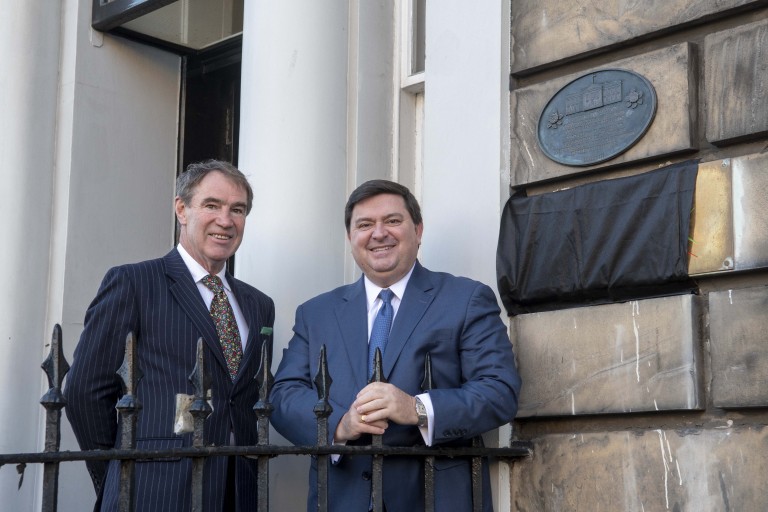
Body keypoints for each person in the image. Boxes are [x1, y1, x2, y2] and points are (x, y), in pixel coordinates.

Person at [270, 179, 521, 511]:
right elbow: (283, 395)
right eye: (364, 225)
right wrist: (339, 425)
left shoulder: (466, 299)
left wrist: (417, 409)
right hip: (341, 499)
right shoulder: (316, 313)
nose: (378, 233)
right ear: (350, 238)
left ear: (418, 230)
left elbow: (499, 392)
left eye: (392, 221)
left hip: (436, 498)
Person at [64, 160, 275, 511]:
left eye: (237, 210)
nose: (226, 220)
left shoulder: (259, 305)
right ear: (181, 209)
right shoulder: (134, 283)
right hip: (153, 490)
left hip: (237, 491)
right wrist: (118, 469)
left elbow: (248, 396)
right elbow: (85, 390)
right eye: (211, 205)